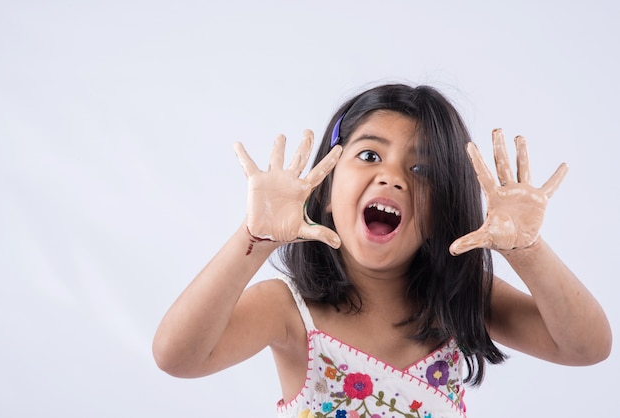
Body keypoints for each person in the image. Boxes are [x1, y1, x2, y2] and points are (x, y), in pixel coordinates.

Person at [152, 84, 612, 417]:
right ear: (327, 191)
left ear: (441, 210)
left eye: (421, 168)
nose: (393, 176)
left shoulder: (464, 299)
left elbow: (587, 347)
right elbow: (178, 357)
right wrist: (254, 239)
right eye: (370, 155)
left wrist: (527, 251)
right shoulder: (288, 309)